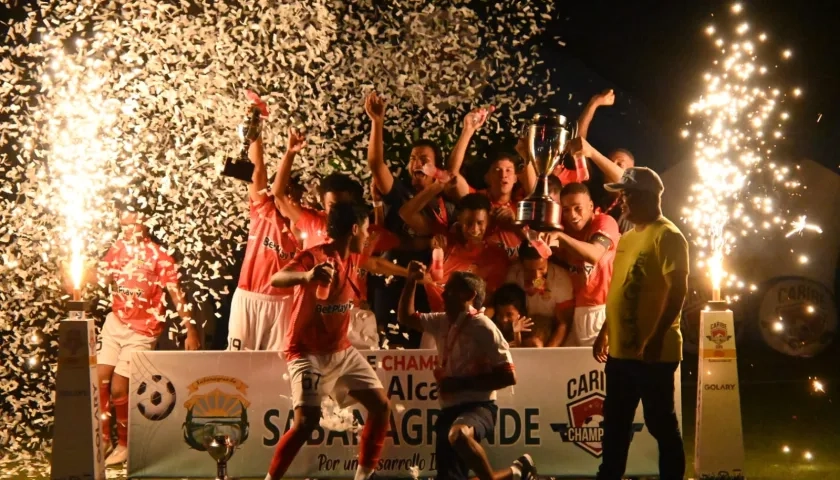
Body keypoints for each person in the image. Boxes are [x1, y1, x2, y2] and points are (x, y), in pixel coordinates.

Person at [66, 200, 200, 466]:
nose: (128, 230)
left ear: (144, 222)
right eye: (124, 225)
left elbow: (177, 296)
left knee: (118, 387)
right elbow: (102, 278)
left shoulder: (159, 257)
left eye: (133, 224)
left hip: (143, 331)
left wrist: (190, 330)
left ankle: (125, 444)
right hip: (116, 325)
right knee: (100, 378)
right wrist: (78, 274)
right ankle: (103, 438)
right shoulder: (117, 250)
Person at [265, 202, 391, 480]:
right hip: (306, 352)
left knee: (381, 407)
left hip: (342, 351)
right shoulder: (317, 256)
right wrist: (307, 276)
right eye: (366, 229)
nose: (368, 235)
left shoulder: (354, 257)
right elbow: (277, 278)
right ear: (355, 229)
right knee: (305, 424)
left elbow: (377, 262)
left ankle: (363, 477)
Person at [397, 262, 537, 480]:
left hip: (479, 407)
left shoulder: (483, 327)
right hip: (449, 409)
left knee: (459, 435)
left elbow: (509, 376)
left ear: (469, 295)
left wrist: (460, 384)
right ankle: (517, 471)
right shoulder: (441, 320)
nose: (444, 293)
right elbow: (405, 317)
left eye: (451, 289)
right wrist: (410, 282)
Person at [593, 167, 689, 480]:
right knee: (615, 424)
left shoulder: (669, 236)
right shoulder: (627, 237)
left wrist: (656, 336)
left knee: (660, 422)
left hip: (654, 354)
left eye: (626, 195)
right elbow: (618, 287)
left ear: (644, 197)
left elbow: (677, 291)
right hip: (621, 353)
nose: (621, 202)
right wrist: (605, 331)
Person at [364, 91, 457, 348]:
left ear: (435, 169)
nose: (416, 163)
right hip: (392, 284)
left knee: (425, 353)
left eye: (424, 160)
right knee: (390, 351)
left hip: (428, 289)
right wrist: (377, 122)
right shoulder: (400, 193)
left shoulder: (445, 207)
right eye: (412, 159)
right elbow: (375, 164)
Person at [227, 119, 303, 352]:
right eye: (283, 189)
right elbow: (257, 170)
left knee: (276, 369)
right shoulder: (264, 209)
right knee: (236, 365)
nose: (284, 196)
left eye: (291, 192)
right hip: (248, 297)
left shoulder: (307, 228)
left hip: (284, 303)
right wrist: (255, 134)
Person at [448, 109, 537, 259]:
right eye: (497, 170)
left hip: (513, 271)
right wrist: (468, 130)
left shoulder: (522, 205)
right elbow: (452, 175)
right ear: (487, 177)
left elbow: (537, 245)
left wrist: (514, 223)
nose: (504, 175)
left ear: (516, 178)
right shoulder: (477, 200)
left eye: (509, 170)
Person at [551, 182, 620, 346]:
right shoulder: (565, 230)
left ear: (591, 206)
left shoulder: (605, 222)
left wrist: (561, 238)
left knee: (596, 368)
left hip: (602, 309)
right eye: (566, 210)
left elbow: (594, 254)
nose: (572, 215)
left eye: (577, 208)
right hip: (577, 310)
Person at [572, 90, 636, 233]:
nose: (612, 166)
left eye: (620, 164)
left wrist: (593, 153)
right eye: (610, 162)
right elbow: (578, 146)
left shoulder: (636, 198)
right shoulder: (595, 193)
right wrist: (593, 103)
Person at [504, 242, 575, 347]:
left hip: (549, 326)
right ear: (521, 264)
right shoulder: (513, 275)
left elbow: (563, 323)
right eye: (529, 270)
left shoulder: (560, 279)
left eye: (541, 269)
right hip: (519, 324)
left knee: (534, 343)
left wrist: (547, 353)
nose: (536, 275)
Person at [490, 283, 534, 348]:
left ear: (520, 312)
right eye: (499, 314)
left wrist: (517, 334)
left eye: (509, 314)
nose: (504, 319)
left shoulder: (528, 331)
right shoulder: (492, 326)